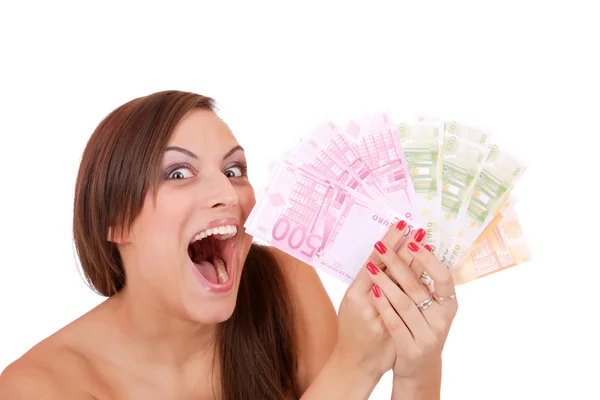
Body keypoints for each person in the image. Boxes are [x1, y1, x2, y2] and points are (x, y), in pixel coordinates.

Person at [0, 90, 458, 399]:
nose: (227, 193)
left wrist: (418, 366)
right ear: (116, 220)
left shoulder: (284, 280)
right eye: (178, 173)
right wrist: (353, 368)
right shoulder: (37, 387)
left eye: (234, 170)